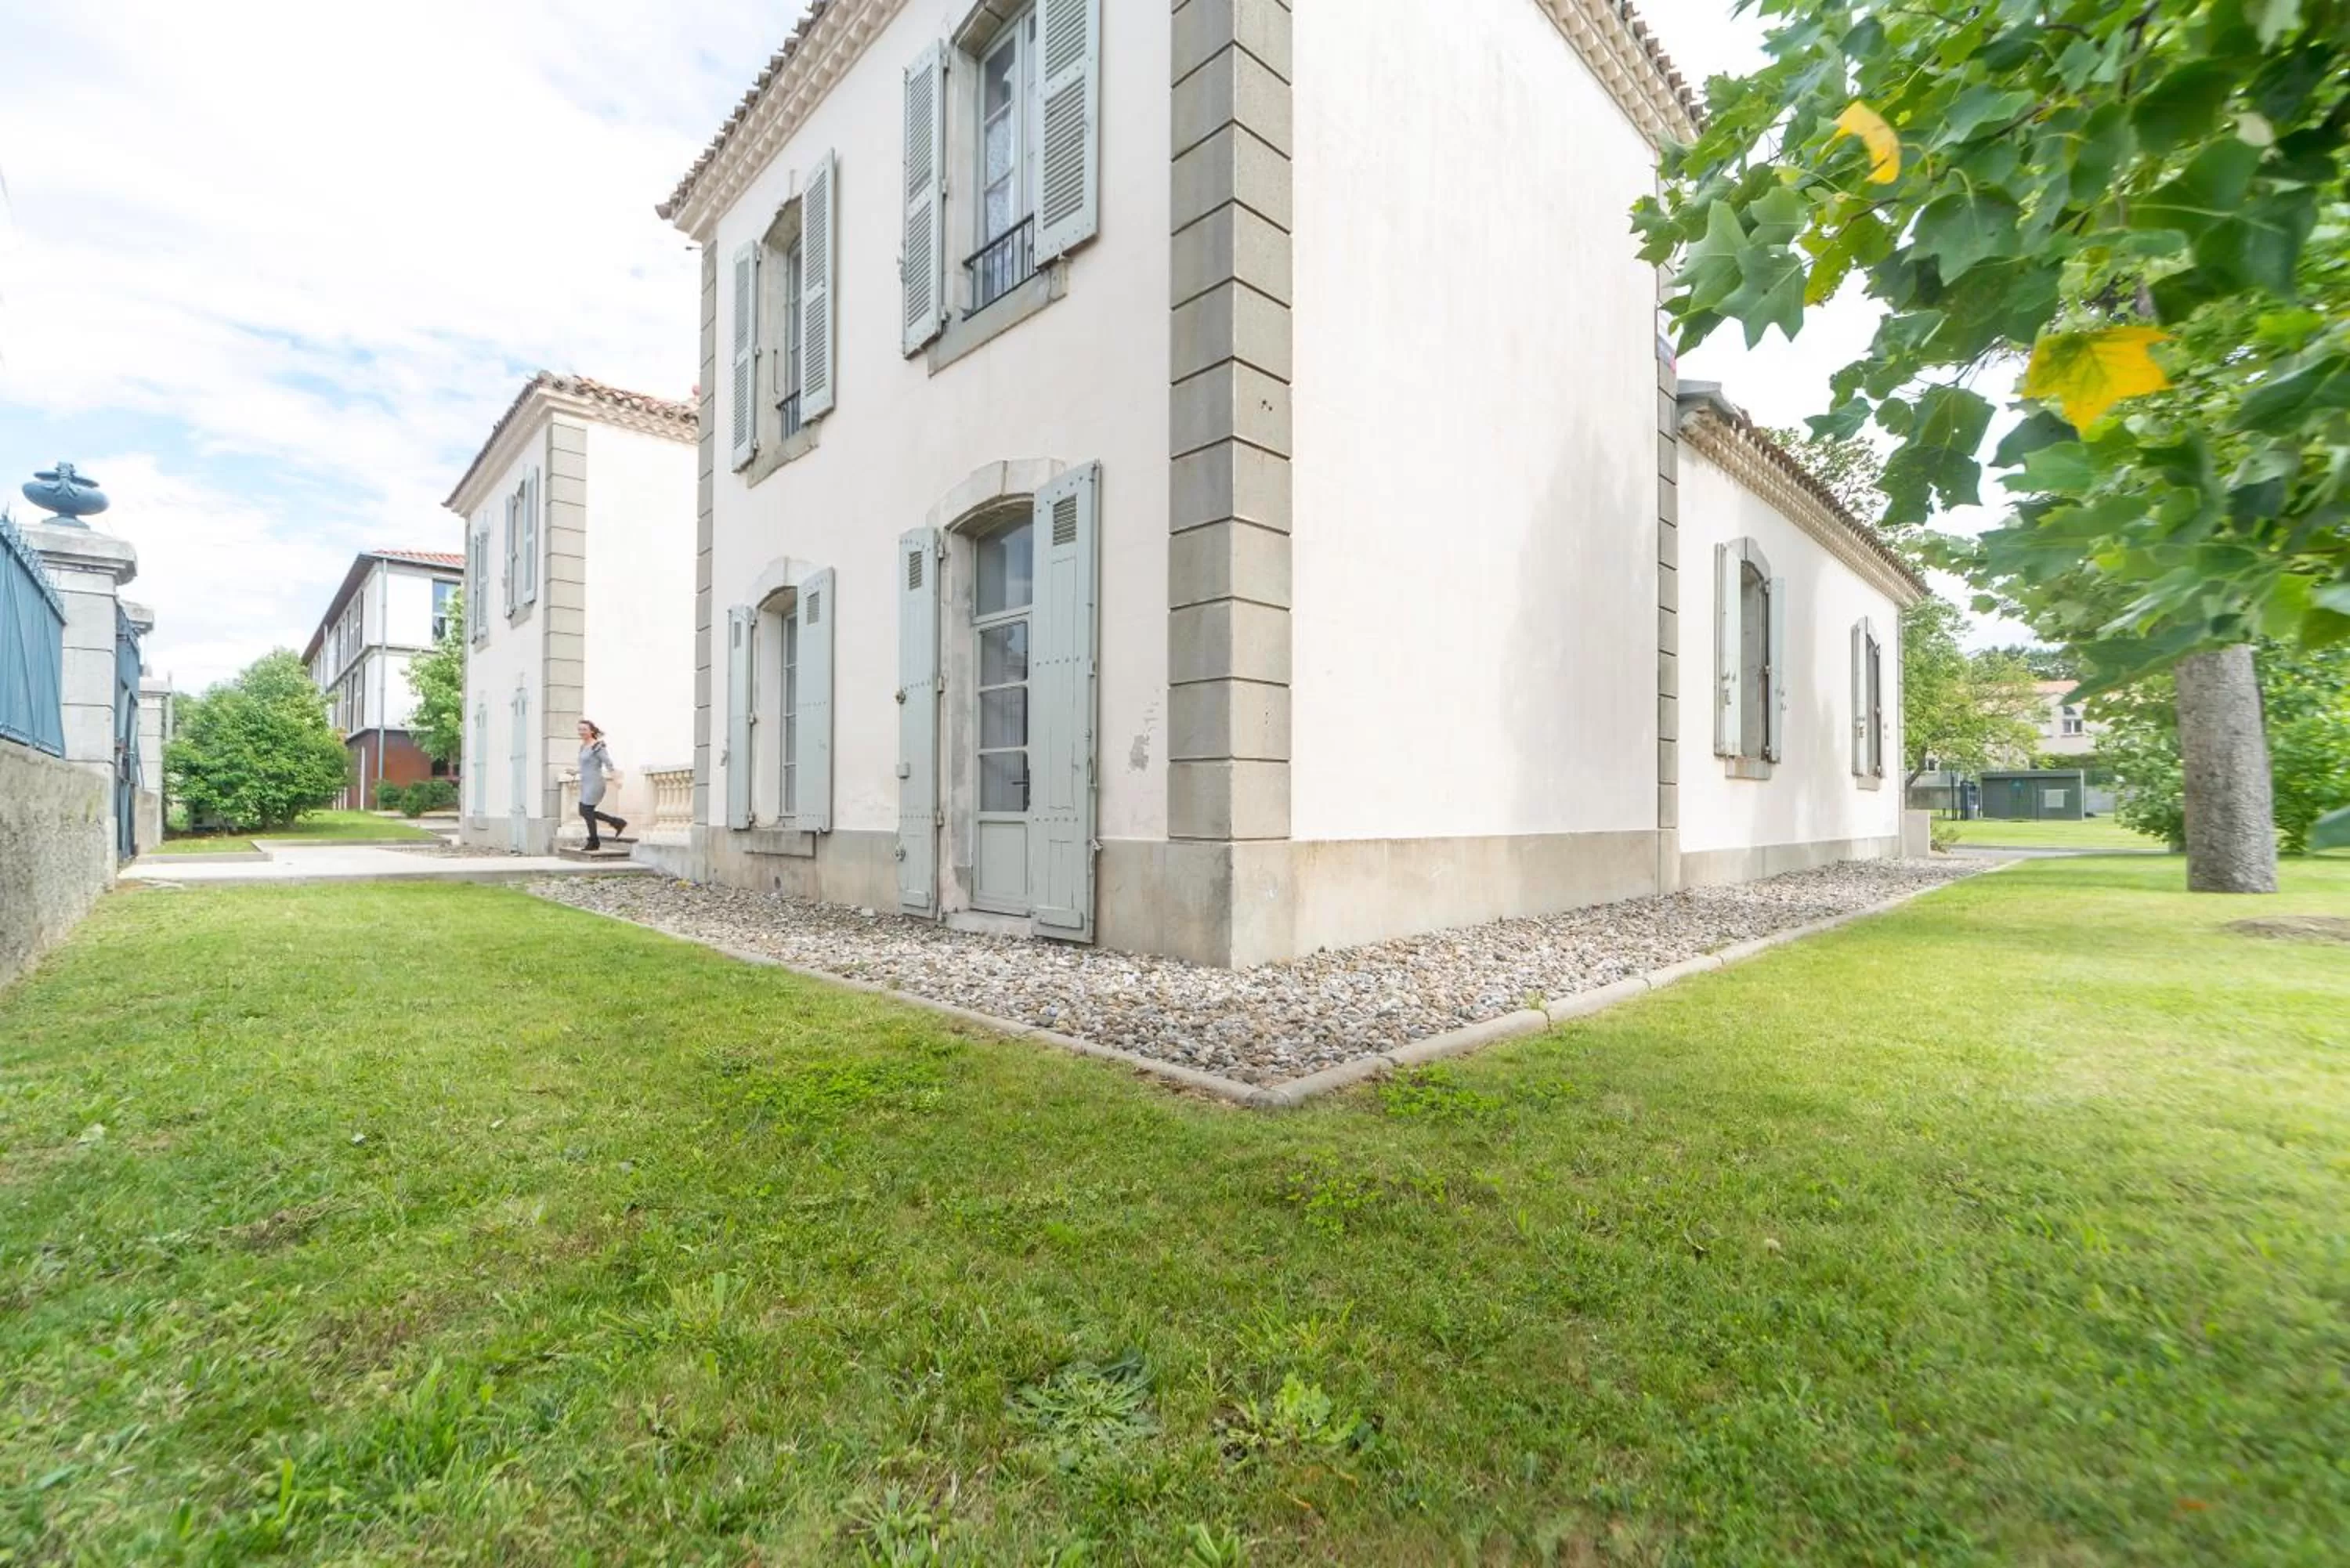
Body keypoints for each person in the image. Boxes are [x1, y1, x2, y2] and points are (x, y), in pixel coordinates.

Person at [576, 720, 627, 849]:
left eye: (584, 729)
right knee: (584, 811)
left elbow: (608, 763)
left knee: (586, 811)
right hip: (586, 784)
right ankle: (616, 822)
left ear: (592, 731)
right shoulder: (583, 746)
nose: (581, 732)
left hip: (595, 784)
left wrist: (616, 779)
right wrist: (575, 771)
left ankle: (594, 841)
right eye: (580, 729)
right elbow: (586, 765)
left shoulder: (597, 746)